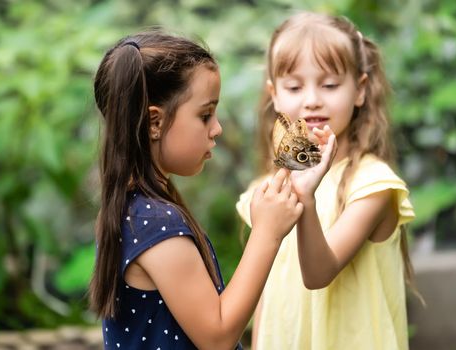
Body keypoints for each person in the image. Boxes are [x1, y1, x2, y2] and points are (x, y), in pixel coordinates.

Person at [89, 30, 306, 350]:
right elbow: (217, 335)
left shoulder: (137, 210)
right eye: (205, 115)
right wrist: (267, 232)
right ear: (154, 123)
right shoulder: (153, 221)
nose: (216, 128)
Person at [236, 11, 418, 350]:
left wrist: (305, 198)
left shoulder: (372, 184)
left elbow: (318, 274)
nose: (312, 99)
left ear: (360, 90)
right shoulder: (267, 191)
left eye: (330, 84)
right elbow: (265, 294)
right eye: (294, 86)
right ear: (275, 94)